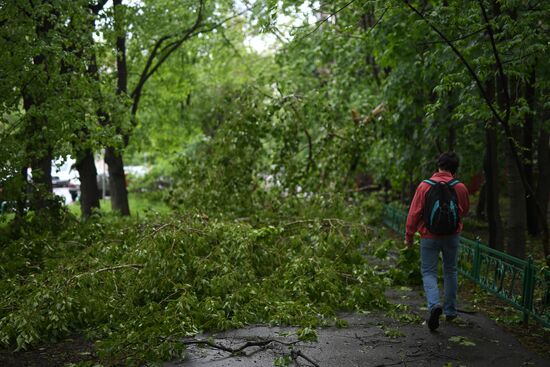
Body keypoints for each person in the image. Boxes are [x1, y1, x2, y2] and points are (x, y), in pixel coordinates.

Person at [405, 152, 469, 331]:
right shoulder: (460, 187)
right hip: (452, 236)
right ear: (455, 169)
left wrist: (409, 236)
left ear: (438, 166)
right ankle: (450, 311)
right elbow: (463, 211)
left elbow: (414, 213)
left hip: (429, 236)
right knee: (451, 271)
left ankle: (434, 305)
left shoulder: (424, 186)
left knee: (428, 272)